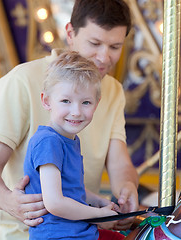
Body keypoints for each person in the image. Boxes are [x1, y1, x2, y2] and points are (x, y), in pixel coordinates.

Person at [0, 0, 139, 239]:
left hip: (81, 230)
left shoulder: (112, 90)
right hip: (29, 232)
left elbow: (120, 164)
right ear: (70, 33)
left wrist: (127, 191)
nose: (104, 57)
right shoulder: (21, 81)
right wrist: (10, 202)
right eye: (95, 43)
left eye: (115, 46)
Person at [25, 50, 125, 239]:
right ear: (46, 101)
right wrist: (99, 215)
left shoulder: (69, 140)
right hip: (59, 235)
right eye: (66, 101)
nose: (76, 111)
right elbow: (55, 202)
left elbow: (70, 189)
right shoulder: (48, 142)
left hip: (77, 232)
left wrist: (98, 201)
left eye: (86, 102)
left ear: (97, 104)